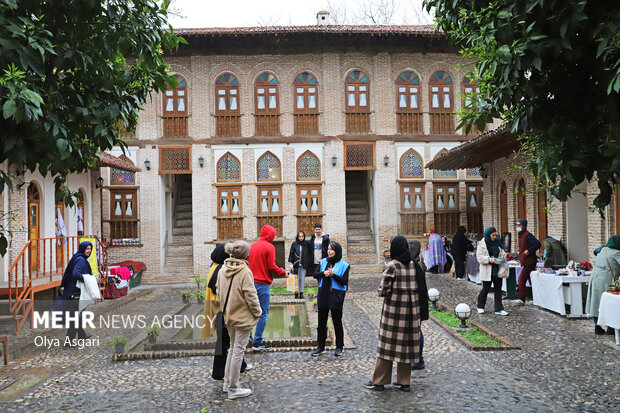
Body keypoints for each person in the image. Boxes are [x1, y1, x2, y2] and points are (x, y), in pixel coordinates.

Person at [364, 236, 422, 391]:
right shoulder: (413, 265)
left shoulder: (392, 266)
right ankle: (404, 382)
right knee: (406, 347)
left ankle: (379, 381)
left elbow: (383, 291)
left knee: (386, 347)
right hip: (410, 312)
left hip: (394, 313)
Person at [217, 240, 261, 400]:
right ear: (245, 254)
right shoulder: (244, 271)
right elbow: (251, 295)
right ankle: (234, 388)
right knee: (238, 351)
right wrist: (258, 312)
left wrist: (225, 309)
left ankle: (227, 383)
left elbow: (218, 290)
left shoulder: (223, 269)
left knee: (233, 350)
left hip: (228, 316)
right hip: (242, 318)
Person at [206, 244, 251, 380]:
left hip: (219, 310)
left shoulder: (214, 267)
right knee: (226, 343)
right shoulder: (220, 269)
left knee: (230, 342)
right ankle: (219, 372)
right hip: (221, 311)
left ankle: (241, 365)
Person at [248, 224, 287, 351]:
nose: (274, 237)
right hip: (262, 284)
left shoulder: (252, 246)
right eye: (273, 235)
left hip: (250, 283)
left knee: (249, 312)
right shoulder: (269, 247)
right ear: (269, 234)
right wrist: (283, 273)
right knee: (263, 313)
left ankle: (247, 338)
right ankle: (258, 342)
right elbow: (271, 266)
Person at [311, 241, 349, 357]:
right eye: (328, 249)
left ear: (337, 251)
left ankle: (339, 346)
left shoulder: (344, 265)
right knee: (321, 321)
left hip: (336, 295)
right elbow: (315, 274)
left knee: (337, 321)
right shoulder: (323, 262)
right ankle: (320, 347)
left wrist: (333, 275)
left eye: (331, 249)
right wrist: (324, 273)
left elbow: (344, 281)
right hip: (323, 294)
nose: (329, 251)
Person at [585, 235, 620, 335]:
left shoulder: (603, 249)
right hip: (606, 280)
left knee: (595, 302)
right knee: (609, 303)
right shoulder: (616, 253)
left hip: (595, 277)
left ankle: (597, 326)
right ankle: (611, 327)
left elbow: (595, 251)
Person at [60, 241, 93, 344]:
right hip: (75, 292)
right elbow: (76, 274)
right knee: (75, 316)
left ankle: (82, 336)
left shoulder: (78, 257)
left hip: (74, 290)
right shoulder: (80, 260)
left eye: (90, 249)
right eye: (87, 249)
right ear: (82, 249)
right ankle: (68, 341)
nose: (89, 251)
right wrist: (87, 279)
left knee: (79, 315)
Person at [476, 227, 509, 316]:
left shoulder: (497, 242)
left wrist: (503, 255)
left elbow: (502, 251)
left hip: (497, 269)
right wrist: (490, 259)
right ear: (488, 234)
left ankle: (499, 309)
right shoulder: (481, 244)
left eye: (495, 235)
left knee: (498, 289)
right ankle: (480, 306)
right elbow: (480, 258)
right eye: (493, 235)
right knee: (486, 288)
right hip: (488, 269)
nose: (494, 237)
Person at [515, 218, 541, 305]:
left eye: (519, 225)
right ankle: (537, 298)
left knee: (521, 279)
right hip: (526, 261)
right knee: (531, 280)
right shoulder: (521, 234)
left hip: (529, 262)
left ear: (523, 226)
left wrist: (528, 250)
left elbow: (537, 244)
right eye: (516, 225)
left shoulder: (528, 235)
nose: (517, 226)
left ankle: (521, 299)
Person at [288, 231, 311, 299]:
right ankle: (296, 293)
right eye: (299, 236)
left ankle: (301, 293)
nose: (301, 238)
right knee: (296, 279)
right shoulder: (294, 244)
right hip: (295, 264)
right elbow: (291, 254)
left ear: (304, 237)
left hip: (303, 264)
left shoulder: (306, 244)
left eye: (302, 236)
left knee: (302, 279)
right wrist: (291, 264)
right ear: (297, 237)